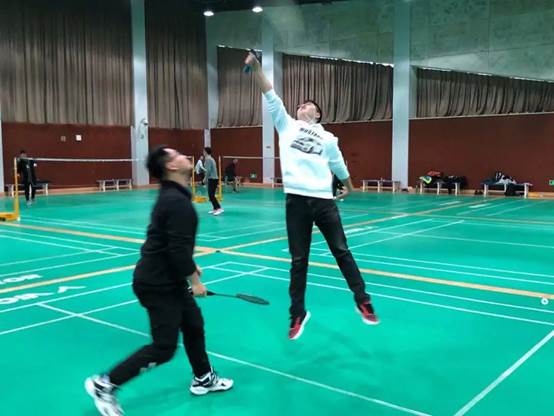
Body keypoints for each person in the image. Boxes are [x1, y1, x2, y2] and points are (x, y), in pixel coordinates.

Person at [85, 146, 233, 416]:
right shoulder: (176, 202)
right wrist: (195, 281)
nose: (184, 156)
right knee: (164, 348)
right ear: (171, 167)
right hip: (157, 284)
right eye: (177, 155)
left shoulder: (173, 197)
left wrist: (189, 266)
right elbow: (177, 250)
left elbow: (168, 242)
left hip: (168, 279)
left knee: (193, 324)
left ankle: (203, 378)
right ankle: (104, 384)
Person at [244, 51, 379, 341]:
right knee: (298, 260)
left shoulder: (328, 138)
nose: (301, 106)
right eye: (300, 104)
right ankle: (297, 313)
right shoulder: (286, 124)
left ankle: (362, 299)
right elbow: (269, 92)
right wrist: (256, 67)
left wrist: (349, 186)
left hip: (323, 201)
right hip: (296, 201)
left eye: (308, 105)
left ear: (317, 114)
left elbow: (338, 164)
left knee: (341, 250)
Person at [203, 147, 223, 215]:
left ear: (206, 152)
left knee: (211, 195)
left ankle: (219, 208)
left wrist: (205, 178)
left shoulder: (208, 159)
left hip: (212, 179)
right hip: (213, 178)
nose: (203, 152)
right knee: (211, 195)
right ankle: (215, 208)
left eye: (204, 151)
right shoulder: (211, 159)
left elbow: (208, 170)